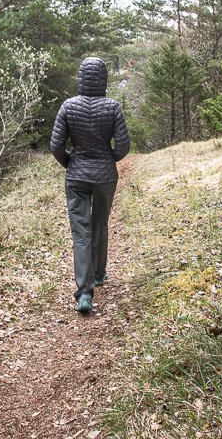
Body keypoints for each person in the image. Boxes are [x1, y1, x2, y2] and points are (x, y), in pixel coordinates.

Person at [50, 57, 130, 313]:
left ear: (81, 78)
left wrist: (70, 164)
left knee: (80, 233)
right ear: (103, 79)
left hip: (77, 176)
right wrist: (109, 159)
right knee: (100, 224)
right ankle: (99, 273)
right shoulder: (113, 107)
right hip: (105, 176)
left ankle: (84, 293)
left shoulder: (68, 106)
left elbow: (56, 146)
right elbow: (123, 145)